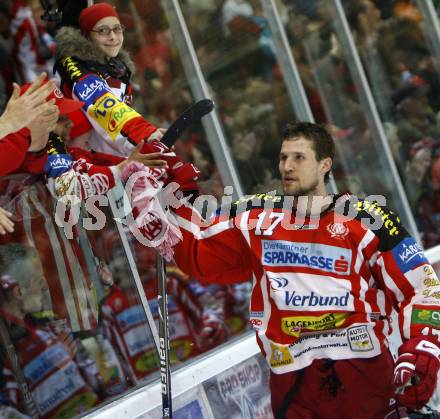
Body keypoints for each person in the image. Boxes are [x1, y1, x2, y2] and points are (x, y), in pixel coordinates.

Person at [167, 122, 440, 418]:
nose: (287, 166)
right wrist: (171, 193)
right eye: (283, 158)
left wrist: (423, 346)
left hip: (366, 377)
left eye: (299, 157)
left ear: (325, 165)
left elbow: (420, 287)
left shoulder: (368, 218)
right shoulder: (258, 220)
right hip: (295, 389)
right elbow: (197, 252)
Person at [53, 2, 199, 192]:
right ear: (87, 35)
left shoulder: (115, 66)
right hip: (85, 169)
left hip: (113, 163)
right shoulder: (75, 67)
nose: (113, 37)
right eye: (103, 31)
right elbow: (107, 109)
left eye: (116, 29)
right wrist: (145, 134)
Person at [0, 243, 101, 418]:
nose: (44, 287)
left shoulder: (47, 324)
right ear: (18, 292)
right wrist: (53, 360)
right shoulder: (7, 344)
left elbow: (97, 379)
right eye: (38, 281)